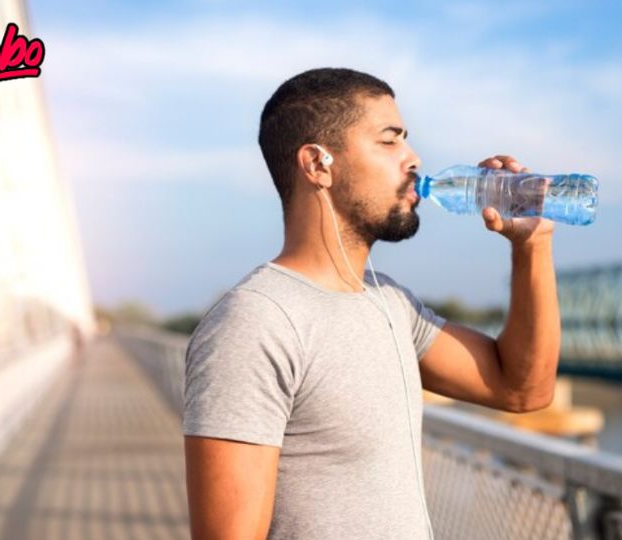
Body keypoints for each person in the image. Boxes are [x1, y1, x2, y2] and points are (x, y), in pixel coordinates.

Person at [183, 67, 560, 539]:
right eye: (390, 140)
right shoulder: (256, 322)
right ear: (317, 165)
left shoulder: (390, 303)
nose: (414, 158)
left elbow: (522, 389)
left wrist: (532, 247)